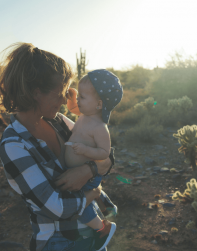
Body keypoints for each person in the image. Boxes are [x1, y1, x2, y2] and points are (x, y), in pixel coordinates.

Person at [0, 42, 116, 251]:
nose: (65, 99)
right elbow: (57, 208)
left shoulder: (59, 121)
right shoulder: (14, 145)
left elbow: (107, 157)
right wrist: (93, 193)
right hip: (59, 242)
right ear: (37, 93)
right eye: (61, 92)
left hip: (92, 234)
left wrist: (87, 170)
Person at [64, 70, 123, 250]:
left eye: (82, 97)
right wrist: (72, 96)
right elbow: (74, 108)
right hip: (80, 174)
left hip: (87, 177)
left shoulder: (99, 127)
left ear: (98, 104)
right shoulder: (85, 115)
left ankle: (102, 228)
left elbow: (104, 153)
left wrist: (86, 150)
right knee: (81, 197)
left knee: (80, 205)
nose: (79, 101)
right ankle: (105, 202)